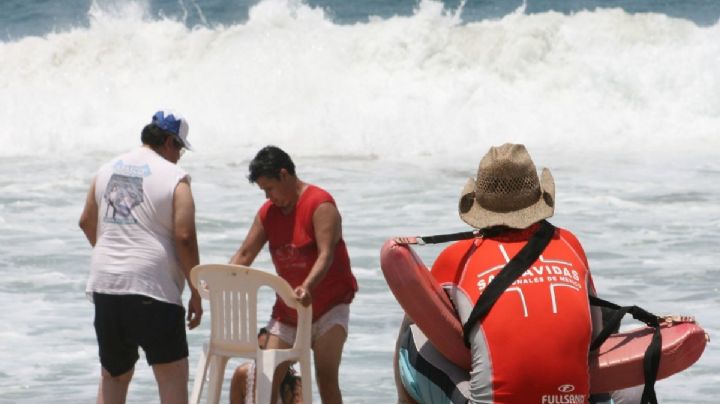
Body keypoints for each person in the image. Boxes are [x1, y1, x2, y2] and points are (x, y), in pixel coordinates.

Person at [394, 143, 607, 404]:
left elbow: (430, 322)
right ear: (536, 197)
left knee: (410, 333)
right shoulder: (570, 244)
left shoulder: (458, 257)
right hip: (569, 400)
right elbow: (596, 334)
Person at [78, 110, 203, 404]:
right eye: (181, 148)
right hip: (153, 287)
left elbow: (86, 221)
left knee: (114, 376)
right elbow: (184, 237)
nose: (180, 156)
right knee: (171, 375)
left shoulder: (106, 169)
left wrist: (115, 257)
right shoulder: (176, 178)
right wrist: (197, 290)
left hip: (107, 285)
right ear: (170, 142)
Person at [228, 145, 358, 404]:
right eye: (263, 191)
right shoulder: (268, 214)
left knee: (325, 376)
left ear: (284, 175)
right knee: (264, 380)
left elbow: (326, 255)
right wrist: (219, 282)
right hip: (288, 312)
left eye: (269, 189)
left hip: (330, 307)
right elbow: (244, 255)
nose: (268, 197)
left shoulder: (320, 204)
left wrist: (308, 285)